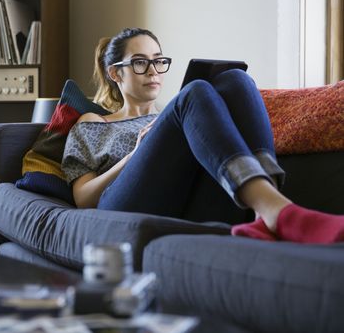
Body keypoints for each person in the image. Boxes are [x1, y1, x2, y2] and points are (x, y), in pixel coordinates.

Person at [61, 27, 344, 243]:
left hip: (190, 198)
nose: (153, 71)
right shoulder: (94, 120)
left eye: (159, 61)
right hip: (120, 207)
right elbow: (83, 199)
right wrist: (136, 154)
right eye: (139, 62)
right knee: (194, 91)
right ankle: (278, 212)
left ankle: (264, 209)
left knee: (236, 79)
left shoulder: (180, 118)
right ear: (116, 73)